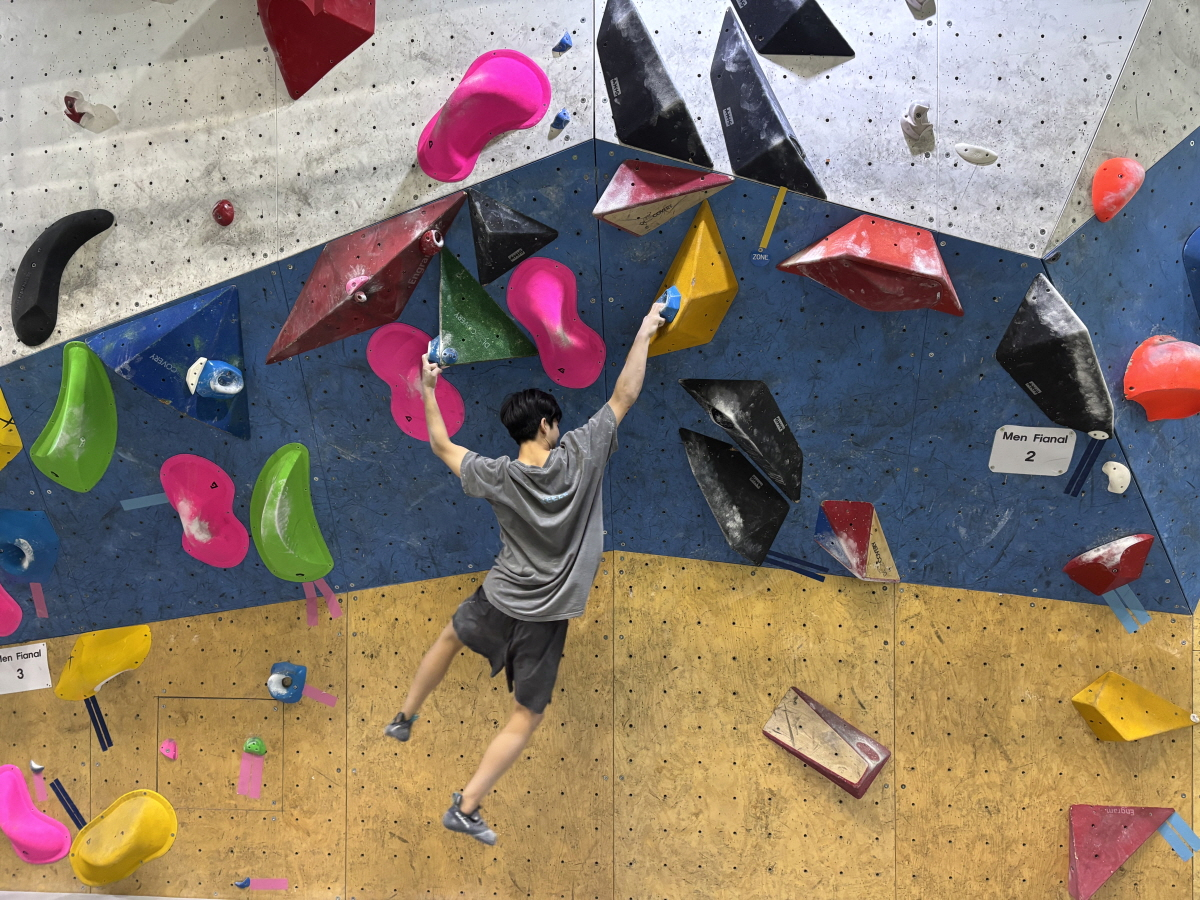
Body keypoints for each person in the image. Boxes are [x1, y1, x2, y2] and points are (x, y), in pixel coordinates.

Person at [385, 302, 667, 845]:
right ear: (546, 424)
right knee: (525, 716)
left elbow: (441, 445)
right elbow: (624, 395)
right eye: (556, 422)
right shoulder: (582, 453)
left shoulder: (497, 475)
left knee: (450, 636)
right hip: (545, 619)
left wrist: (428, 388)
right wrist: (644, 330)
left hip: (499, 597)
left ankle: (404, 716)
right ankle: (466, 805)